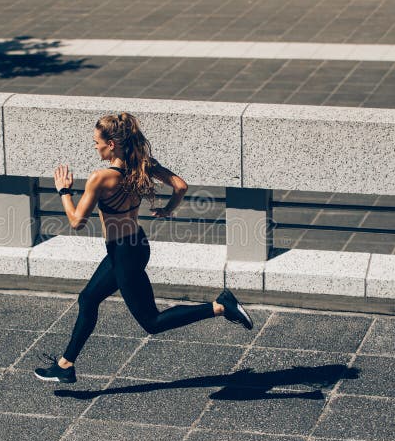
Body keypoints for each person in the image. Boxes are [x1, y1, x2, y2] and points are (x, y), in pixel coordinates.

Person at [34, 112, 253, 384]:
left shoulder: (100, 178)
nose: (94, 146)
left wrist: (64, 191)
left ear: (111, 144)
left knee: (152, 322)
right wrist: (168, 209)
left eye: (96, 142)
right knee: (88, 299)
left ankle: (220, 306)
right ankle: (66, 365)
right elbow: (180, 186)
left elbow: (77, 221)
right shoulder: (141, 165)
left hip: (124, 253)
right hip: (134, 245)